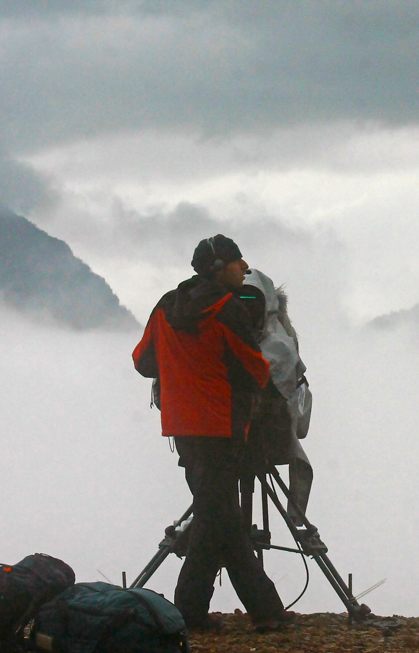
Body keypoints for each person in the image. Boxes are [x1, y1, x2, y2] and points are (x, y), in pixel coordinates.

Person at [132, 235, 295, 632]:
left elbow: (142, 361)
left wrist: (181, 370)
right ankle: (237, 613)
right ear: (220, 267)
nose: (245, 269)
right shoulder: (228, 309)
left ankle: (235, 611)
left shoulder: (165, 307)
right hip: (221, 427)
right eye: (239, 263)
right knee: (219, 519)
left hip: (182, 428)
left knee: (217, 516)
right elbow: (254, 369)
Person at [239, 269, 314, 523]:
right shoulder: (283, 344)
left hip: (231, 445)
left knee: (215, 511)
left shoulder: (279, 344)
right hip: (261, 442)